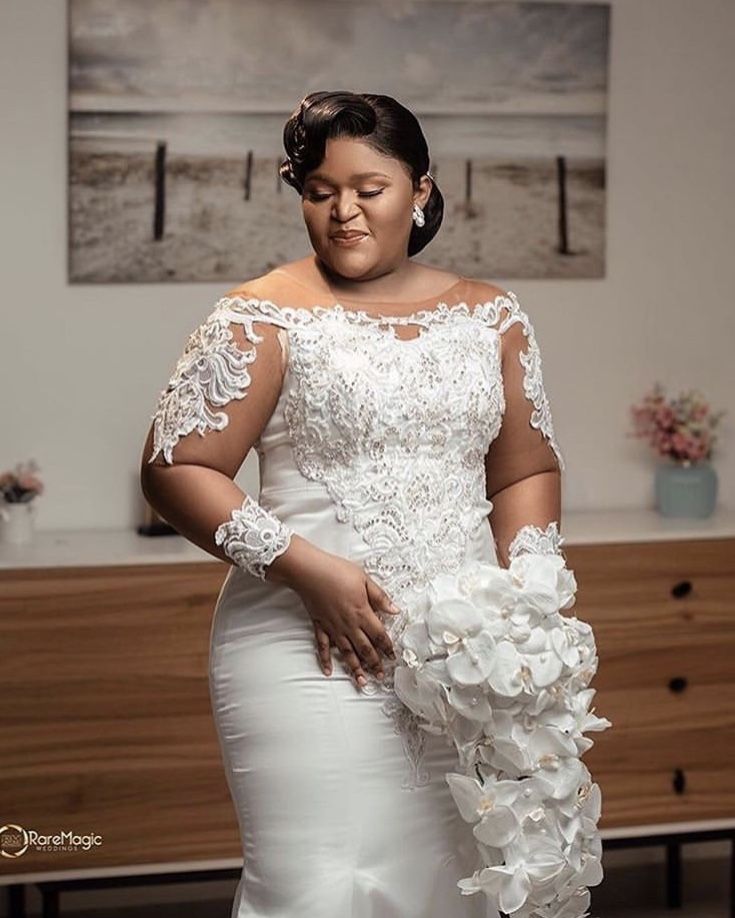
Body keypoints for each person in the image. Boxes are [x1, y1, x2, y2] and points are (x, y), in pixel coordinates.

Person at [139, 91, 575, 918]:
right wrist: (310, 574)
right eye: (318, 192)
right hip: (307, 648)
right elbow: (176, 468)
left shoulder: (491, 316)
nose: (342, 213)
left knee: (456, 878)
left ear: (420, 189)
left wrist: (526, 598)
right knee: (323, 884)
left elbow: (523, 471)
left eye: (367, 189)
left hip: (466, 659)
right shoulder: (262, 312)